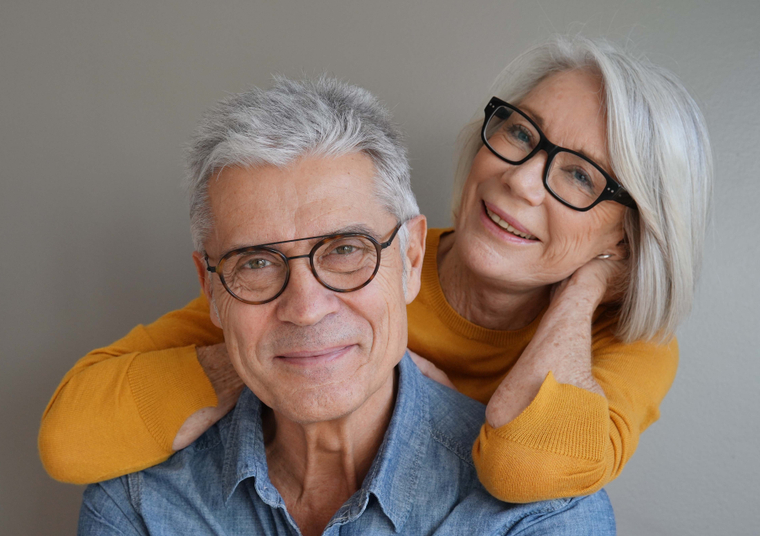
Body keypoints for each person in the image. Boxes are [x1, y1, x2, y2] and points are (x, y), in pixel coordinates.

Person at [54, 76, 615, 536]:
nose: (305, 308)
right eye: (257, 262)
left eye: (346, 250)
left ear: (411, 259)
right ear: (211, 292)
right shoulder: (138, 500)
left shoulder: (543, 524)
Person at [39, 36, 712, 502]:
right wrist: (277, 352)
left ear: (627, 232)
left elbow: (528, 466)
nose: (520, 181)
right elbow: (71, 436)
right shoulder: (357, 261)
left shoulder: (625, 344)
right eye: (519, 133)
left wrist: (587, 285)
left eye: (578, 175)